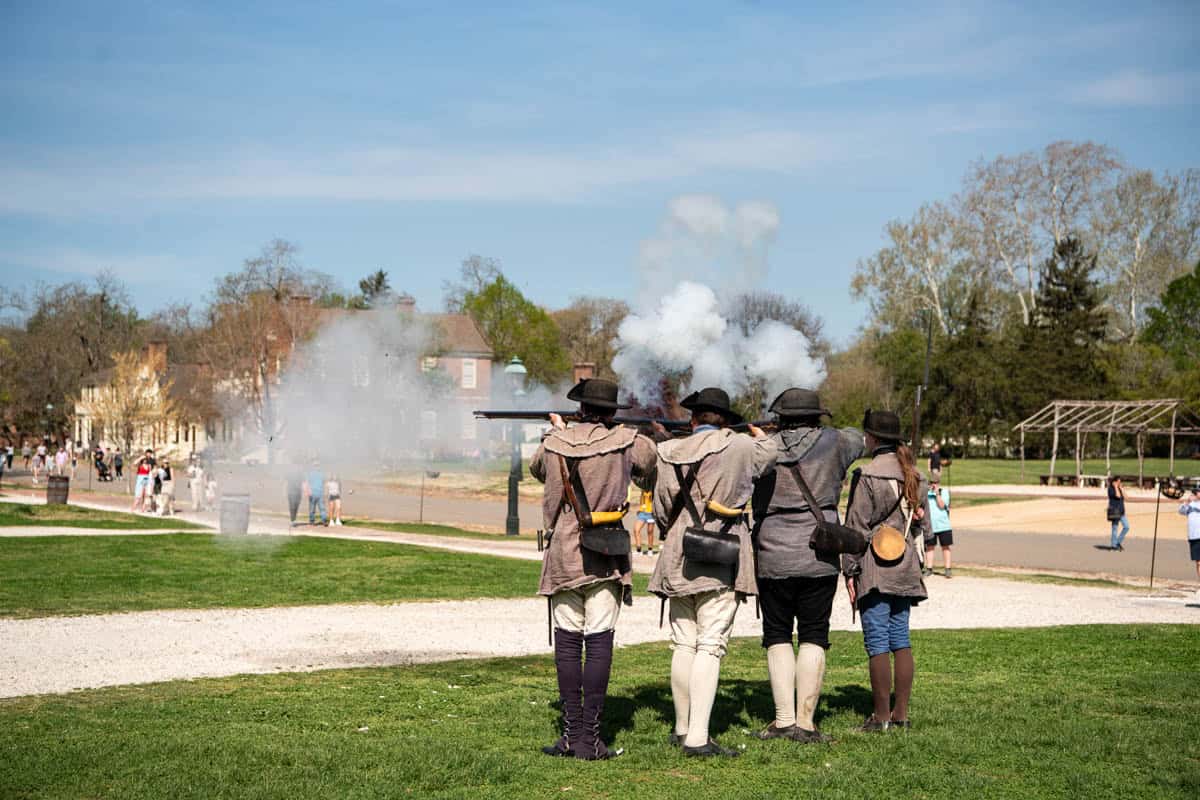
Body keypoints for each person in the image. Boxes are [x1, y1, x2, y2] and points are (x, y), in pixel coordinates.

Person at [531, 378, 658, 760]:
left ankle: (573, 735)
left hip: (564, 554)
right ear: (610, 411)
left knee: (568, 644)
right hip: (606, 552)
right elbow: (650, 461)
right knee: (599, 641)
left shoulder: (553, 442)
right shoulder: (626, 440)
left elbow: (539, 470)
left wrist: (561, 432)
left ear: (581, 409)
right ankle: (590, 737)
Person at [649, 387, 776, 758]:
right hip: (724, 550)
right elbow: (770, 453)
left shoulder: (669, 449)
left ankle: (682, 726)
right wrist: (759, 432)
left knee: (684, 642)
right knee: (710, 644)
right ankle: (698, 737)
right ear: (726, 418)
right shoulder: (741, 446)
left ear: (693, 418)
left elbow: (660, 509)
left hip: (679, 549)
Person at [750, 388, 863, 743]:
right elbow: (859, 439)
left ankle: (784, 720)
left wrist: (765, 435)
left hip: (772, 551)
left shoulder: (763, 447)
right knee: (814, 633)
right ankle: (805, 722)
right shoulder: (836, 442)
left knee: (777, 634)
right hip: (820, 551)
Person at [842, 409, 929, 732]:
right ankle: (901, 715)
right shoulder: (916, 474)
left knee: (877, 640)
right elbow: (925, 527)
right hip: (905, 563)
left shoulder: (867, 474)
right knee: (900, 639)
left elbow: (856, 528)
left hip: (875, 566)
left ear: (873, 438)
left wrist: (849, 571)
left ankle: (880, 718)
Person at [924, 477, 953, 577]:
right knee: (930, 547)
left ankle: (948, 569)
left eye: (935, 483)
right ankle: (929, 568)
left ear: (939, 483)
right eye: (931, 482)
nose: (933, 484)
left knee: (945, 547)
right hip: (930, 525)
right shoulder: (926, 494)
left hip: (943, 525)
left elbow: (941, 505)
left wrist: (937, 494)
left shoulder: (944, 492)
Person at [1179, 486, 1200, 601]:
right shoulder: (1190, 504)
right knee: (1198, 562)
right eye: (1197, 492)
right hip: (1194, 536)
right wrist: (1187, 501)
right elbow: (1181, 511)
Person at [630, 484, 656, 555]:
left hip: (651, 513)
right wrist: (640, 508)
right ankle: (639, 550)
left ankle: (650, 550)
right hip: (642, 513)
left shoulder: (653, 488)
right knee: (636, 530)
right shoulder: (643, 487)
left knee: (650, 532)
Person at [1107, 476, 1130, 551]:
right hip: (1114, 511)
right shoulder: (1110, 489)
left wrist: (1121, 488)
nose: (1119, 483)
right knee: (1115, 529)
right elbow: (1117, 495)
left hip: (1121, 511)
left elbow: (1127, 497)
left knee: (1126, 527)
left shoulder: (1120, 489)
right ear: (1114, 482)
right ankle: (1113, 546)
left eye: (1120, 482)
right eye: (1118, 482)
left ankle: (1117, 542)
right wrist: (1116, 487)